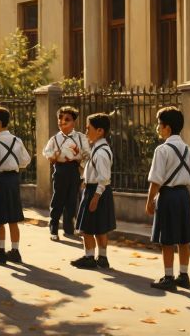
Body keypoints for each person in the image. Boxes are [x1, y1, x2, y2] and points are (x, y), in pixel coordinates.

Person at [145, 106, 190, 291]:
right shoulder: (186, 148)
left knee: (167, 239)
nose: (158, 128)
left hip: (167, 196)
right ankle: (183, 275)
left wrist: (149, 200)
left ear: (167, 128)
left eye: (159, 125)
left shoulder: (162, 150)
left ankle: (168, 277)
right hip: (183, 195)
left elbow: (156, 179)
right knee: (184, 238)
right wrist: (185, 181)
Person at [0, 106, 31, 265]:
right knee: (13, 218)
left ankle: (1, 252)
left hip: (0, 181)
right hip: (13, 180)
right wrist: (14, 165)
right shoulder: (17, 140)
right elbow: (26, 160)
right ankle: (15, 251)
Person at [70, 112, 115, 270]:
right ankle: (102, 257)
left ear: (100, 131)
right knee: (100, 227)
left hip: (96, 191)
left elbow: (104, 178)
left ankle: (89, 257)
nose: (86, 131)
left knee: (87, 228)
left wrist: (95, 197)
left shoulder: (101, 152)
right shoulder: (98, 148)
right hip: (96, 190)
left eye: (89, 128)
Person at [43, 106, 87, 240]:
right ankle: (53, 229)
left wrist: (82, 165)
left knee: (72, 200)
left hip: (74, 169)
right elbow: (46, 152)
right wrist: (52, 156)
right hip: (60, 169)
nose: (62, 122)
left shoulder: (80, 137)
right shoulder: (54, 139)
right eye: (60, 119)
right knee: (58, 200)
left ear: (74, 122)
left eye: (66, 119)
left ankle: (69, 229)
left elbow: (87, 153)